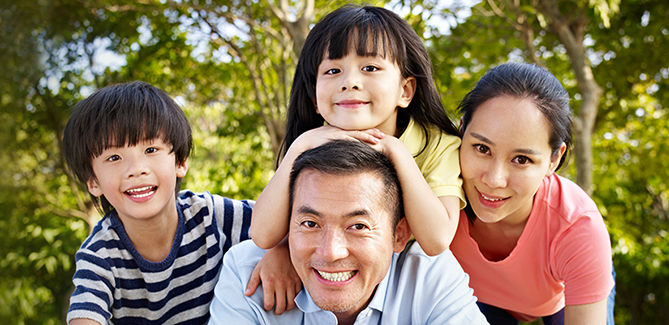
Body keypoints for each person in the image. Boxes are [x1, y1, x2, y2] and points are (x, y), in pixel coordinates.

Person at [61, 81, 301, 325]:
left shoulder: (209, 215)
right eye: (114, 157)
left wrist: (279, 249)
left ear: (180, 161)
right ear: (93, 182)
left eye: (151, 149)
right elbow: (85, 315)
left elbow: (292, 221)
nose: (136, 170)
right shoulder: (100, 254)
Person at [250, 5, 464, 257]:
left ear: (404, 91)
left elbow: (437, 240)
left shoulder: (438, 145)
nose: (349, 82)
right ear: (315, 100)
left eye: (370, 68)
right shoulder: (312, 145)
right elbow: (262, 235)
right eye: (332, 71)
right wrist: (300, 146)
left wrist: (395, 150)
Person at [209, 140, 488, 325]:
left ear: (399, 235)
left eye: (358, 226)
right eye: (310, 224)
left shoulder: (429, 276)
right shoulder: (247, 273)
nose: (330, 251)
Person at [448, 62, 615, 325]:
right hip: (479, 301)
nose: (494, 180)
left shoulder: (578, 227)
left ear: (553, 160)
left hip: (557, 299)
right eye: (482, 148)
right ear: (461, 132)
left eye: (522, 159)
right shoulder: (434, 195)